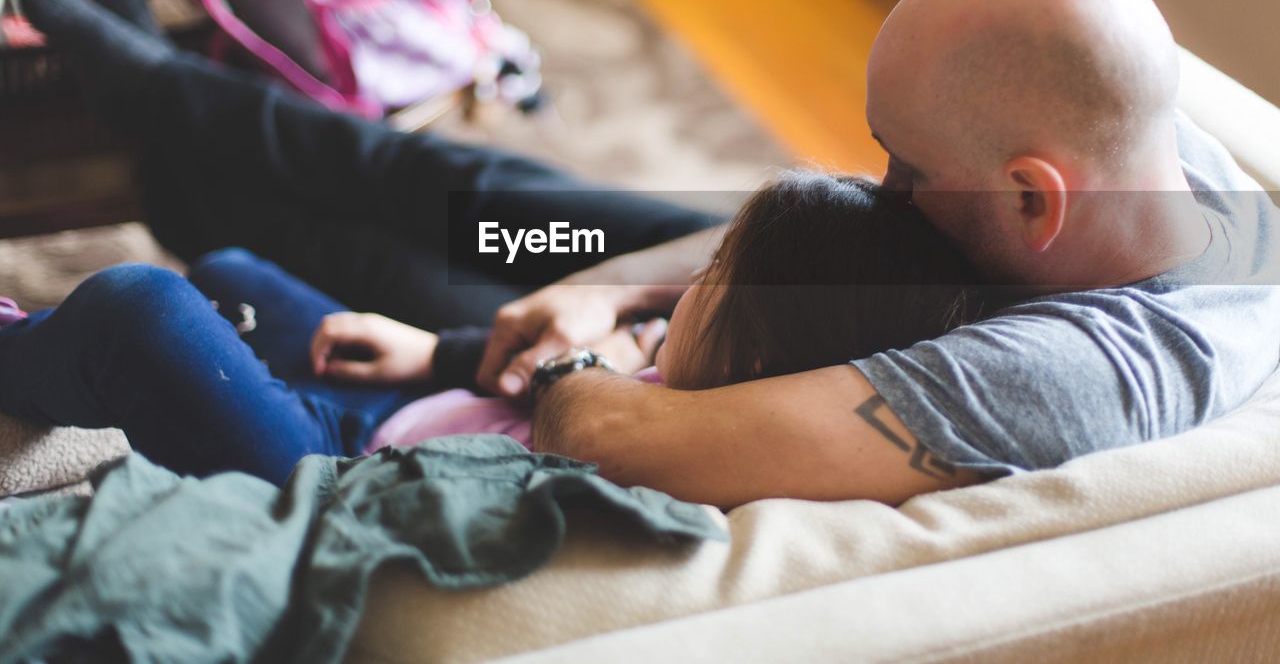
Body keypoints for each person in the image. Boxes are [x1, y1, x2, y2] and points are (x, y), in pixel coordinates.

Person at [8, 0, 1280, 508]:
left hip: (758, 320)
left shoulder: (1075, 375)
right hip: (780, 269)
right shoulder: (1165, 168)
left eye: (903, 164)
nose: (882, 177)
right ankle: (154, 91)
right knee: (480, 209)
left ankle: (153, 120)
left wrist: (589, 338)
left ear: (1031, 198)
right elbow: (848, 214)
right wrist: (609, 283)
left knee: (406, 249)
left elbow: (625, 435)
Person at [0, 172, 979, 490]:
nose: (679, 290)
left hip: (344, 480)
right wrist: (436, 353)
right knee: (228, 273)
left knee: (145, 310)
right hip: (406, 402)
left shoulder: (694, 460)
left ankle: (21, 349)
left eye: (713, 277)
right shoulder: (695, 365)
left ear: (759, 351)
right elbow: (528, 384)